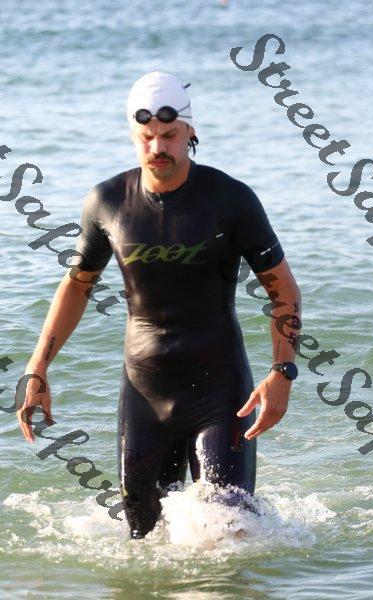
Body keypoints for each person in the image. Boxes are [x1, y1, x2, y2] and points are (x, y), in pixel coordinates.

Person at [18, 71, 302, 539]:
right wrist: (38, 367)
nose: (158, 147)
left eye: (169, 135)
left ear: (190, 131)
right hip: (144, 394)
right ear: (133, 136)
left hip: (219, 392)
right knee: (143, 538)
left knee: (230, 532)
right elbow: (77, 286)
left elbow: (283, 291)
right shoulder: (107, 202)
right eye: (146, 137)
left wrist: (282, 372)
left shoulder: (230, 200)